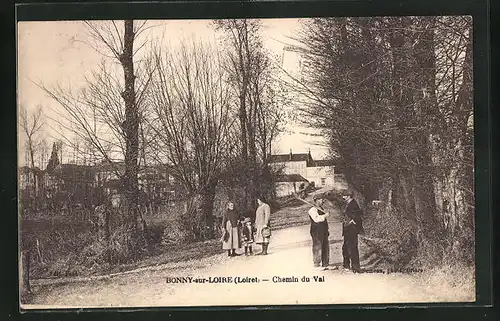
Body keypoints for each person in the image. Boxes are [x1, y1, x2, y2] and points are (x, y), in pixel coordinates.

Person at [341, 191, 364, 273]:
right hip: (347, 229)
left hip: (352, 229)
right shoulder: (347, 204)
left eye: (344, 195)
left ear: (348, 196)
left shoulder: (353, 204)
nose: (343, 197)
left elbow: (359, 213)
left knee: (353, 247)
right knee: (345, 247)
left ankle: (356, 267)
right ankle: (346, 265)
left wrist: (353, 220)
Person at [308, 194, 330, 270]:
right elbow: (316, 219)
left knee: (325, 246)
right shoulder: (312, 210)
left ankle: (325, 264)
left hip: (323, 230)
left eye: (322, 199)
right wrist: (325, 216)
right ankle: (317, 264)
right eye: (321, 200)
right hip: (316, 231)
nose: (322, 201)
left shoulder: (321, 208)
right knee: (317, 247)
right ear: (316, 200)